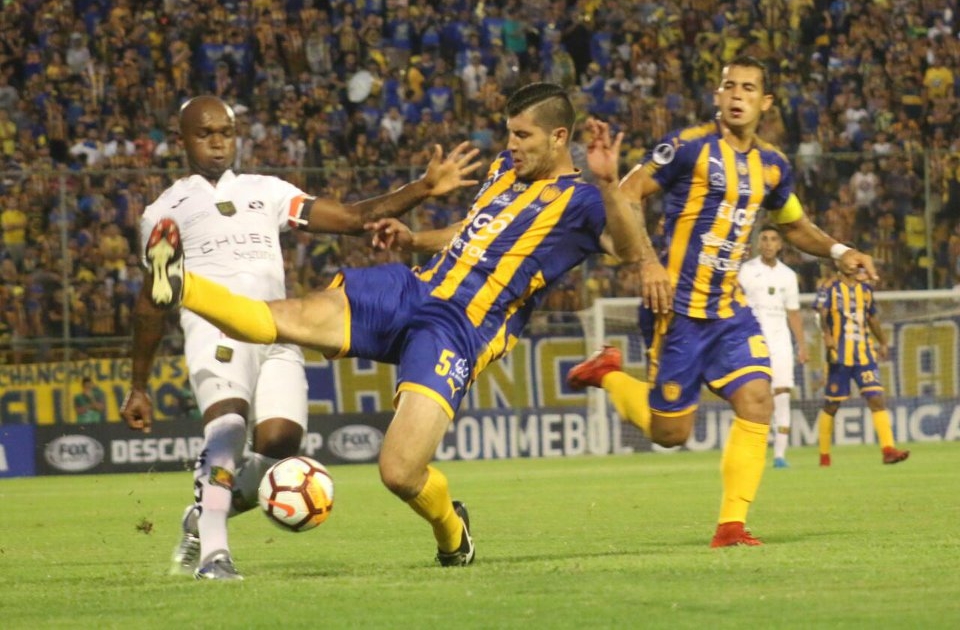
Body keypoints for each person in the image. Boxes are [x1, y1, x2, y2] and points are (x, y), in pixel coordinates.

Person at [143, 83, 648, 568]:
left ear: (558, 138)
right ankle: (181, 283)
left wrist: (608, 185)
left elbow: (626, 250)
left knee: (400, 473)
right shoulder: (504, 170)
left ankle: (453, 532)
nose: (511, 145)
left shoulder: (584, 201)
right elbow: (473, 232)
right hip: (413, 290)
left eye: (522, 136)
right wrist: (415, 241)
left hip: (458, 330)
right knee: (278, 318)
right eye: (509, 133)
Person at [120, 95, 480, 581]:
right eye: (205, 134)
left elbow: (352, 219)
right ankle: (213, 557)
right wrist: (138, 385)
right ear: (181, 139)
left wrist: (423, 188)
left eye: (225, 132)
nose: (218, 143)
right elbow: (150, 302)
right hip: (215, 328)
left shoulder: (265, 190)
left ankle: (202, 517)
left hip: (277, 327)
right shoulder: (165, 211)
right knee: (227, 429)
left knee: (281, 443)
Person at [567, 55, 880, 547]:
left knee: (757, 399)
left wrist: (841, 251)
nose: (737, 95)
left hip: (729, 310)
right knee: (671, 435)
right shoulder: (687, 146)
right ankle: (607, 372)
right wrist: (648, 263)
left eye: (748, 88)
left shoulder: (773, 166)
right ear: (717, 95)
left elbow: (794, 225)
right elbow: (627, 193)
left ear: (766, 102)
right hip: (675, 308)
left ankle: (731, 526)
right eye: (729, 86)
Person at [815, 267, 910, 467]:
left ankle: (888, 450)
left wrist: (883, 342)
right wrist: (827, 335)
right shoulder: (830, 288)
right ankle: (824, 456)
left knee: (876, 398)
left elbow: (872, 318)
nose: (856, 267)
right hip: (839, 356)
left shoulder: (866, 290)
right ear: (841, 264)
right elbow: (821, 315)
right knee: (832, 405)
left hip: (864, 355)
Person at [738, 224, 807, 468]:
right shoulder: (746, 271)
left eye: (773, 239)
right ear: (758, 243)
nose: (768, 243)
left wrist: (802, 345)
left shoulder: (788, 276)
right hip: (753, 342)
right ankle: (752, 452)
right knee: (753, 397)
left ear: (780, 245)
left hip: (780, 343)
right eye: (764, 239)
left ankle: (779, 456)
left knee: (782, 396)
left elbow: (793, 313)